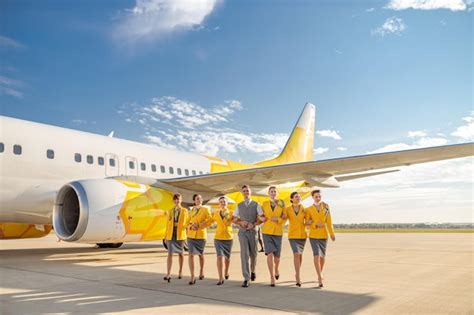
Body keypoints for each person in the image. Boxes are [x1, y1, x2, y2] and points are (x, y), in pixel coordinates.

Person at [233, 185, 264, 287]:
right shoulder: (239, 205)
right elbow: (233, 219)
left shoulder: (256, 204)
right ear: (242, 193)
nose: (246, 192)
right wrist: (241, 222)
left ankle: (253, 270)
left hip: (253, 232)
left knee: (253, 254)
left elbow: (263, 218)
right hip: (242, 233)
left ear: (250, 192)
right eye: (244, 191)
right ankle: (246, 278)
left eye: (247, 191)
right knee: (244, 254)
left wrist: (254, 224)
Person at [306, 189, 335, 288]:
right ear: (313, 197)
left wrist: (332, 233)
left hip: (323, 235)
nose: (318, 198)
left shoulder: (326, 207)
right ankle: (319, 277)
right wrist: (315, 224)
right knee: (317, 255)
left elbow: (329, 221)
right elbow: (307, 224)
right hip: (313, 235)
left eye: (319, 196)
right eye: (316, 196)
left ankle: (320, 273)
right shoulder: (309, 209)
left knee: (322, 257)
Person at [260, 186, 286, 287]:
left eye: (275, 191)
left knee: (277, 256)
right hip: (266, 231)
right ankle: (271, 277)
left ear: (277, 193)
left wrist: (278, 220)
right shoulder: (264, 204)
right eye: (271, 191)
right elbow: (260, 215)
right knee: (269, 253)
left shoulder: (281, 203)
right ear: (268, 193)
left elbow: (285, 217)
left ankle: (276, 269)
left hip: (278, 232)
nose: (273, 193)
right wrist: (261, 218)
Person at [187, 194, 212, 285]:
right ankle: (192, 276)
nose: (200, 200)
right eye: (198, 199)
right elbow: (187, 222)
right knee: (191, 255)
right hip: (191, 236)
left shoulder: (205, 210)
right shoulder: (191, 210)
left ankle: (201, 271)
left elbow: (209, 221)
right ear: (194, 201)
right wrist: (191, 226)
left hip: (201, 235)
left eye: (201, 198)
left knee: (200, 255)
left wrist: (199, 225)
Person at [283, 191, 307, 287]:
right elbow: (283, 219)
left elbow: (308, 220)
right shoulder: (287, 209)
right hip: (292, 235)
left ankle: (297, 272)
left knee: (300, 255)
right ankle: (298, 277)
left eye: (299, 197)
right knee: (296, 254)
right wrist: (283, 218)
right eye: (296, 196)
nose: (298, 198)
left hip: (302, 235)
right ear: (292, 199)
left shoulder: (304, 209)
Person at [209, 196, 234, 285]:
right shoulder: (215, 213)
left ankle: (226, 272)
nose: (223, 203)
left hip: (228, 237)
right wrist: (199, 225)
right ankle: (220, 278)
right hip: (218, 237)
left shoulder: (231, 213)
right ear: (219, 204)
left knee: (227, 258)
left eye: (224, 201)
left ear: (227, 203)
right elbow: (209, 221)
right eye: (221, 202)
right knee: (219, 257)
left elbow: (237, 220)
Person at [164, 193, 188, 282]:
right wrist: (165, 236)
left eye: (178, 199)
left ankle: (180, 271)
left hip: (180, 234)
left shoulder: (185, 211)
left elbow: (186, 222)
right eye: (175, 199)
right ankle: (168, 273)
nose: (177, 201)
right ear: (173, 201)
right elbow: (168, 223)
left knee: (180, 253)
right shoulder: (170, 211)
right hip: (171, 234)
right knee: (170, 253)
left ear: (181, 200)